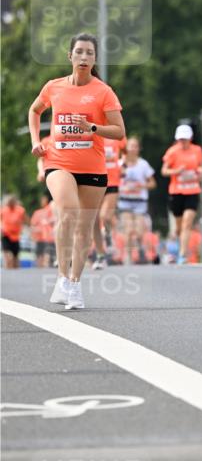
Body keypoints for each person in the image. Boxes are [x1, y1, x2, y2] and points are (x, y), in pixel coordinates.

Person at [28, 33, 125, 309]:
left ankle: (73, 283)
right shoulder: (53, 87)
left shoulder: (103, 91)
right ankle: (61, 277)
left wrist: (93, 128)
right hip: (59, 162)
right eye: (79, 52)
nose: (84, 57)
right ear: (69, 56)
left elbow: (119, 132)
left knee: (84, 227)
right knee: (68, 211)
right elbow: (34, 111)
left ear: (95, 59)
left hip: (93, 168)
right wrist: (36, 141)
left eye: (89, 53)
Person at [161, 124, 202, 265]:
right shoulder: (172, 152)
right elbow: (164, 171)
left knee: (187, 223)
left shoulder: (197, 150)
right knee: (179, 227)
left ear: (190, 138)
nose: (183, 142)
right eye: (180, 139)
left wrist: (200, 172)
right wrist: (176, 171)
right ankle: (179, 247)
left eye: (185, 139)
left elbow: (200, 166)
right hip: (177, 192)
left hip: (192, 191)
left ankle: (182, 255)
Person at [118, 135, 156, 263]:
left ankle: (140, 250)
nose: (133, 149)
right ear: (126, 148)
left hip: (140, 202)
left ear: (139, 148)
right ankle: (128, 256)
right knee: (128, 230)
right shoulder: (120, 164)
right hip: (124, 201)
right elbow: (112, 180)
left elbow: (153, 183)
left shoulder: (143, 164)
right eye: (130, 146)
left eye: (135, 146)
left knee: (139, 231)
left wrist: (142, 185)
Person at [92, 135, 127, 269]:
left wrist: (122, 165)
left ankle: (107, 235)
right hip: (94, 179)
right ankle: (100, 255)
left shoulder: (117, 134)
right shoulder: (92, 132)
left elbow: (125, 153)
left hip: (112, 182)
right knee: (94, 220)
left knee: (105, 216)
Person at [1, 195, 28, 269]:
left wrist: (24, 227)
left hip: (16, 237)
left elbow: (26, 220)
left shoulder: (20, 210)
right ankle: (7, 270)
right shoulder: (3, 210)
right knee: (8, 256)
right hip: (6, 235)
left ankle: (16, 273)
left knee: (15, 258)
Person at [30, 193, 56, 268]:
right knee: (39, 256)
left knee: (48, 257)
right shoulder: (37, 212)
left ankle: (47, 268)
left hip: (50, 238)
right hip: (39, 239)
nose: (42, 201)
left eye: (43, 199)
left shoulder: (52, 208)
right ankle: (40, 271)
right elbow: (33, 225)